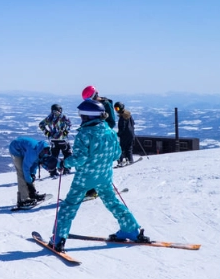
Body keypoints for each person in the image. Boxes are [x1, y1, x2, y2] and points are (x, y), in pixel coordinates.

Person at [47, 99, 150, 252]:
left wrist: (64, 163)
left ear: (88, 117)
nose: (80, 117)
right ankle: (131, 230)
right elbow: (117, 154)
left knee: (69, 206)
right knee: (112, 202)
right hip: (104, 175)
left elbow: (79, 159)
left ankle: (59, 238)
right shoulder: (109, 131)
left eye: (81, 115)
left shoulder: (84, 134)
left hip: (85, 178)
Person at [81, 85, 117, 199]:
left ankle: (97, 189)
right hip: (93, 136)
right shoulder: (93, 105)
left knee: (97, 165)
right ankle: (91, 189)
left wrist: (101, 124)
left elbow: (111, 123)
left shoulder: (106, 104)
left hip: (102, 137)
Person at [8, 137, 57, 209]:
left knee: (30, 175)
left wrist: (33, 175)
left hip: (25, 150)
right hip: (15, 149)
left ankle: (32, 194)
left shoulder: (44, 152)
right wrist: (29, 180)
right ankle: (23, 199)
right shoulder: (33, 153)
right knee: (21, 173)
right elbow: (26, 168)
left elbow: (35, 163)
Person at [38, 104, 73, 176]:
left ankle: (53, 171)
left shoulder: (49, 117)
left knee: (54, 156)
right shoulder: (63, 116)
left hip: (53, 140)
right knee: (67, 154)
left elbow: (41, 124)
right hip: (63, 139)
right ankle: (66, 169)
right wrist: (66, 132)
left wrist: (47, 133)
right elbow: (69, 124)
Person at [115, 102, 136, 166]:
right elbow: (133, 123)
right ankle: (130, 160)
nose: (116, 110)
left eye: (117, 108)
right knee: (129, 148)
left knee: (120, 148)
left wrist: (118, 134)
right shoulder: (129, 115)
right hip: (131, 134)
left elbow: (122, 127)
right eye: (115, 108)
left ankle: (120, 162)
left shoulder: (122, 117)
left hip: (125, 135)